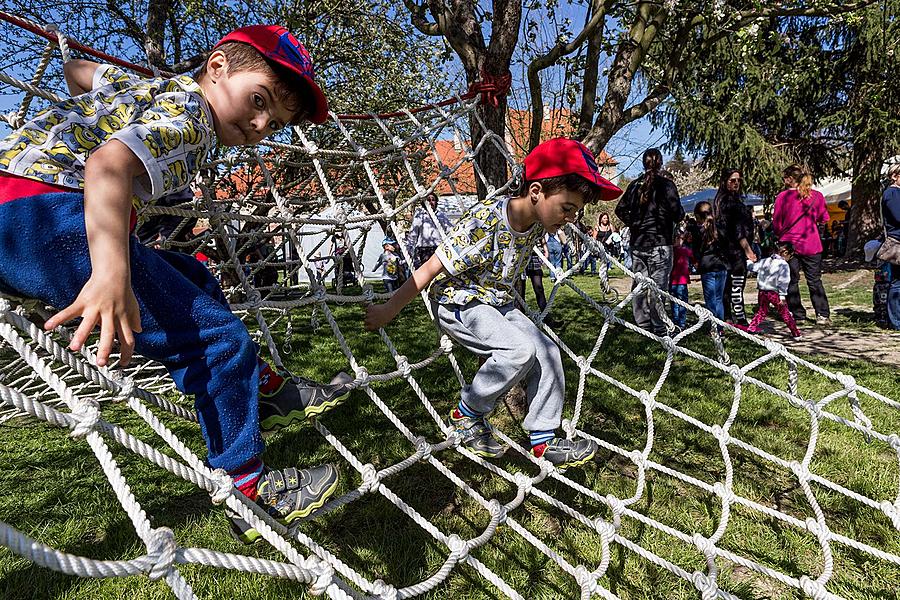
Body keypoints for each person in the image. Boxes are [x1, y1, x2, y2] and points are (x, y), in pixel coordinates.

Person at [0, 25, 352, 544]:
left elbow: (80, 74)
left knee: (195, 276)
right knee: (216, 339)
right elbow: (107, 165)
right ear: (216, 68)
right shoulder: (193, 122)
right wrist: (110, 275)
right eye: (259, 101)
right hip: (44, 218)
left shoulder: (150, 90)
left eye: (274, 122)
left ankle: (264, 387)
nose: (259, 124)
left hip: (19, 206)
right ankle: (248, 490)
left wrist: (88, 87)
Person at [364, 138, 622, 467]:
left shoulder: (538, 221)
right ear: (536, 192)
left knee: (548, 351)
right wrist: (390, 309)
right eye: (567, 208)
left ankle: (543, 438)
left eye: (577, 211)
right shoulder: (484, 223)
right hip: (459, 301)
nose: (571, 217)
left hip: (497, 301)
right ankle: (466, 414)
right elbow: (431, 267)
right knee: (519, 351)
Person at [615, 148, 684, 335]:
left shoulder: (634, 185)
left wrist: (635, 224)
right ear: (660, 163)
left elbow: (620, 209)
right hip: (659, 242)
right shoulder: (667, 186)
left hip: (639, 242)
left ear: (643, 163)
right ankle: (659, 326)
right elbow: (678, 213)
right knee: (658, 287)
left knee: (639, 283)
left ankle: (643, 323)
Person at [773, 165, 831, 325]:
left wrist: (780, 236)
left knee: (791, 280)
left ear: (789, 179)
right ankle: (822, 314)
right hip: (811, 243)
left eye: (784, 177)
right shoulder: (817, 196)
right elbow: (824, 218)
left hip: (788, 244)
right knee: (814, 280)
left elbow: (777, 223)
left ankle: (798, 314)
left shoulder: (782, 197)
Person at [713, 168, 757, 326]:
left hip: (728, 251)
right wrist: (748, 250)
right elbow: (737, 230)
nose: (736, 183)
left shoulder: (724, 200)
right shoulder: (729, 202)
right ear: (725, 182)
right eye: (732, 180)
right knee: (736, 286)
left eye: (739, 180)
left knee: (729, 286)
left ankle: (729, 317)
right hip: (734, 252)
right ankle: (740, 320)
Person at [743, 241, 801, 338]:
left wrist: (748, 261)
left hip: (762, 292)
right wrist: (782, 295)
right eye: (790, 256)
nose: (789, 259)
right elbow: (784, 281)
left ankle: (751, 328)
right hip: (774, 293)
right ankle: (795, 333)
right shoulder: (783, 265)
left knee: (762, 311)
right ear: (786, 253)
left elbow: (753, 267)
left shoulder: (765, 261)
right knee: (785, 313)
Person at [690, 201, 729, 323]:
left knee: (710, 299)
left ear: (699, 216)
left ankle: (713, 326)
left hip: (707, 267)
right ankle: (720, 327)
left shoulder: (697, 232)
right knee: (718, 299)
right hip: (721, 266)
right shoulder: (720, 228)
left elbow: (695, 251)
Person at [405, 192, 452, 269]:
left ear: (436, 202)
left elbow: (449, 229)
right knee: (427, 270)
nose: (431, 202)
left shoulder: (441, 215)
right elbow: (414, 233)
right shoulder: (420, 215)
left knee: (439, 271)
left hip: (438, 248)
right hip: (424, 249)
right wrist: (409, 248)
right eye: (428, 200)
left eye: (433, 200)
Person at [881, 163, 900, 330]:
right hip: (898, 242)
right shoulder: (892, 193)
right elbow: (898, 216)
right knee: (897, 282)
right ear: (895, 176)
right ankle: (895, 321)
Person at [669, 231, 695, 330]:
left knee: (674, 303)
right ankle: (682, 323)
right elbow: (693, 258)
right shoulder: (685, 251)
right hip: (682, 281)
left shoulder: (670, 251)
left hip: (672, 281)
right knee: (683, 303)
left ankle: (676, 322)